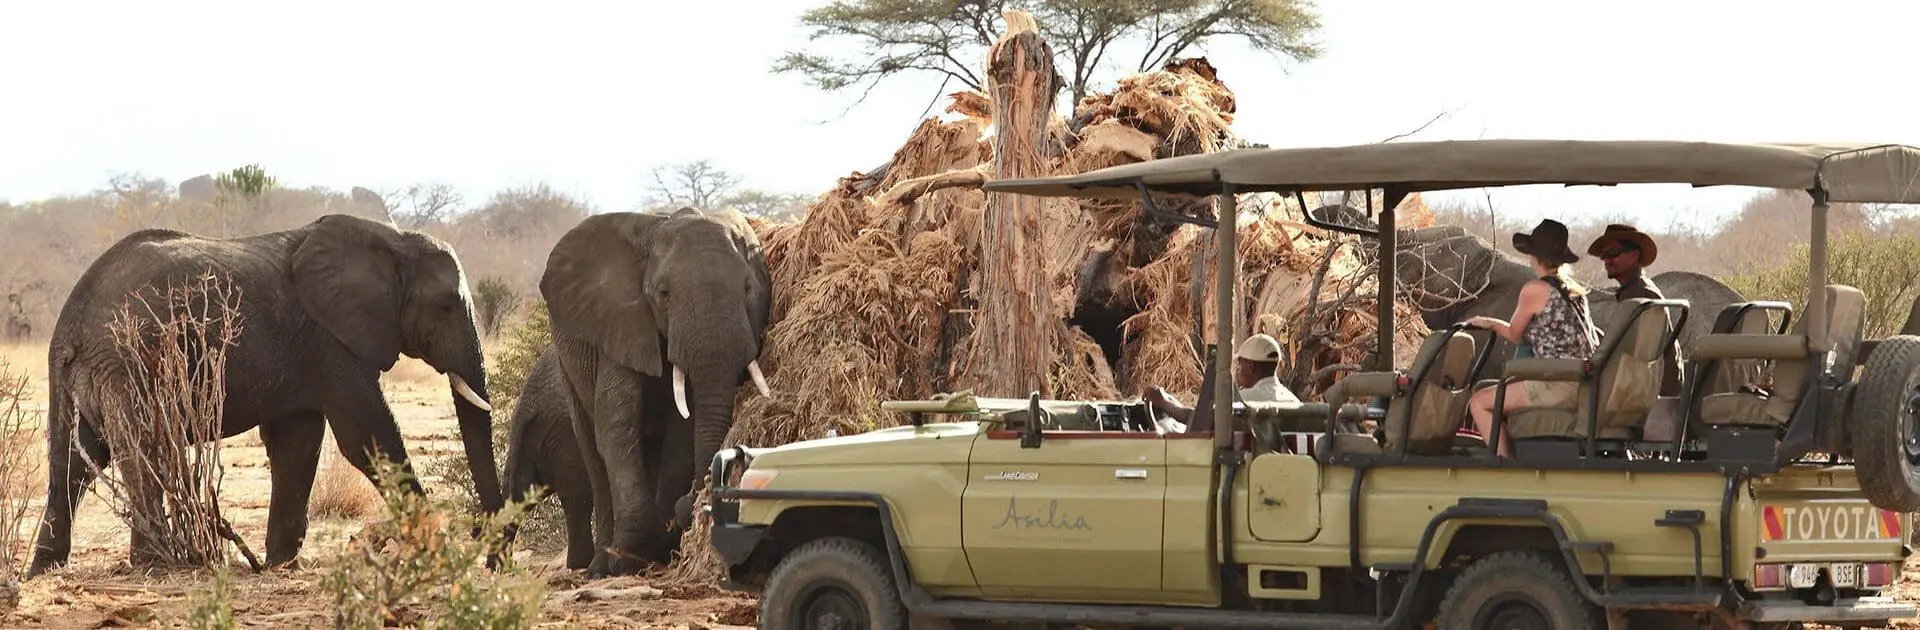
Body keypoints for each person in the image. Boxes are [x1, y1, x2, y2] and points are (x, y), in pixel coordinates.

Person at [1463, 219, 1601, 457]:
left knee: (1479, 402)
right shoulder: (1576, 293)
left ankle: (1504, 466)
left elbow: (1515, 335)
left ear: (1533, 256)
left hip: (1555, 384)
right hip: (1581, 384)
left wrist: (1490, 323)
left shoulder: (1535, 290)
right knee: (1493, 391)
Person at [1587, 224, 1682, 397]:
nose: (1607, 260)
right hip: (1653, 387)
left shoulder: (1638, 296)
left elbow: (1630, 355)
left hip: (1649, 392)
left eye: (1613, 253)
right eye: (1604, 255)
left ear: (1635, 255)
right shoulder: (1638, 290)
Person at [1142, 333, 1301, 433]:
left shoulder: (1244, 402)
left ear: (1251, 367)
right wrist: (1174, 404)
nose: (1237, 370)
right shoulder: (1293, 401)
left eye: (1240, 365)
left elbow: (1202, 420)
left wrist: (1163, 402)